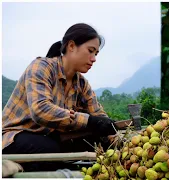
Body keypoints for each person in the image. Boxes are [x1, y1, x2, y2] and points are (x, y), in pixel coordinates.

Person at [2, 23, 120, 171]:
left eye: (96, 54)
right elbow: (41, 110)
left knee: (97, 143)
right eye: (90, 51)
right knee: (52, 151)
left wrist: (117, 138)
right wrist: (89, 121)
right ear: (71, 46)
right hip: (15, 136)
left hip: (49, 137)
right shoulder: (42, 67)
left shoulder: (81, 83)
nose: (94, 58)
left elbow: (99, 115)